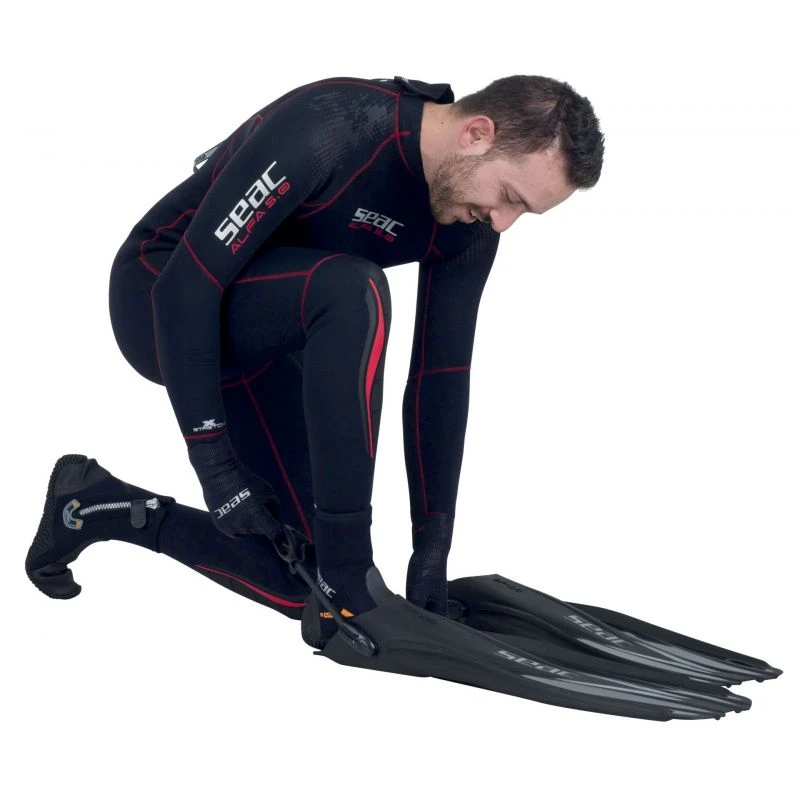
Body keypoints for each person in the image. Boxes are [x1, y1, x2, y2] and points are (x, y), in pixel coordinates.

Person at [28, 74, 603, 638]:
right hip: (161, 295)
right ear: (476, 134)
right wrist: (216, 469)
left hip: (277, 328)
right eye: (510, 197)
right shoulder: (334, 125)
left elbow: (440, 376)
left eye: (524, 213)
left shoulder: (471, 224)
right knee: (354, 291)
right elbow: (185, 288)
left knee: (300, 580)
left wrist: (432, 548)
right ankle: (351, 573)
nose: (503, 222)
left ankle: (92, 506)